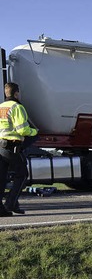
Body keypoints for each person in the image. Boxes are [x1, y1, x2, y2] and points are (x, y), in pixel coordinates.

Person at [0, 82, 38, 216]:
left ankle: (5, 208)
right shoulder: (17, 107)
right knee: (22, 175)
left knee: (2, 178)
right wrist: (34, 132)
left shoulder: (1, 107)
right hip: (12, 146)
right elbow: (22, 129)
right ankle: (10, 204)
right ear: (16, 93)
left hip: (1, 146)